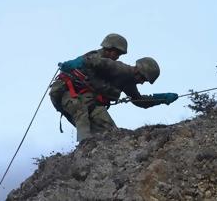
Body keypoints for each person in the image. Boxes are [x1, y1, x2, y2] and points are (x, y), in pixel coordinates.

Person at [49, 35, 178, 141]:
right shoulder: (120, 68)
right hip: (68, 93)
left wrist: (162, 98)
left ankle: (96, 152)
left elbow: (139, 100)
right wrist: (78, 62)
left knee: (111, 134)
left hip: (90, 101)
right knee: (81, 112)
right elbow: (95, 61)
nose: (143, 82)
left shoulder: (128, 82)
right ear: (138, 71)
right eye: (143, 79)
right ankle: (83, 149)